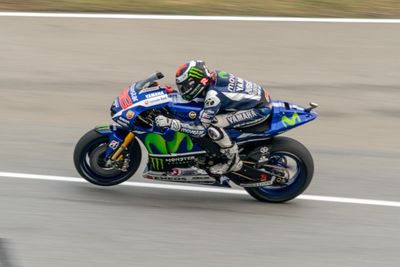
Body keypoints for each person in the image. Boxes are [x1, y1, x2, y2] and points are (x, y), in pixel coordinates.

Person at [155, 60, 271, 175]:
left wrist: (172, 123)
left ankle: (233, 160)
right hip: (256, 99)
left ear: (197, 81)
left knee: (212, 125)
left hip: (259, 109)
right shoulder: (212, 76)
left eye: (185, 86)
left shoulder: (213, 97)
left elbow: (200, 130)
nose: (183, 90)